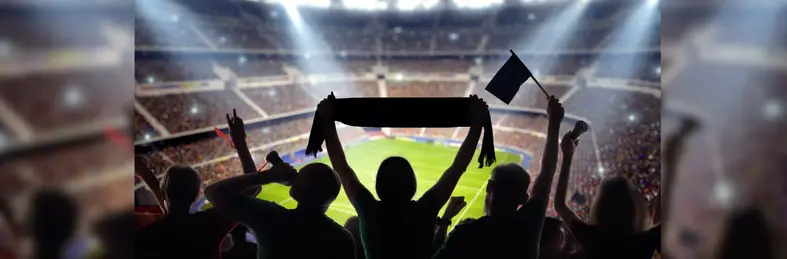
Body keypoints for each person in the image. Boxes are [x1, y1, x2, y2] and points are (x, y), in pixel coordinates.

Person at [317, 94, 489, 259]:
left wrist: (327, 120)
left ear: (379, 185)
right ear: (412, 184)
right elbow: (457, 168)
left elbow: (342, 168)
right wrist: (477, 124)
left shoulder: (369, 210)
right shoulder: (425, 210)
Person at [205, 110, 355, 259]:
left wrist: (269, 176)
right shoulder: (343, 240)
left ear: (300, 191)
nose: (296, 173)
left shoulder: (271, 219)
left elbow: (214, 192)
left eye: (300, 174)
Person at [433, 95, 565, 259]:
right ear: (524, 198)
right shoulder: (529, 225)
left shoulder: (464, 234)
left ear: (489, 186)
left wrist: (445, 221)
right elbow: (546, 176)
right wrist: (554, 124)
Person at [135, 110, 262, 259]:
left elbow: (170, 219)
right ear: (196, 195)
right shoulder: (209, 224)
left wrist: (145, 174)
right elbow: (252, 189)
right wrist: (240, 143)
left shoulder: (146, 234)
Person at [553, 128, 660, 259]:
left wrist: (567, 156)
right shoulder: (645, 241)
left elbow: (559, 204)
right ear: (634, 205)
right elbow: (660, 217)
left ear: (601, 206)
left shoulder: (593, 238)